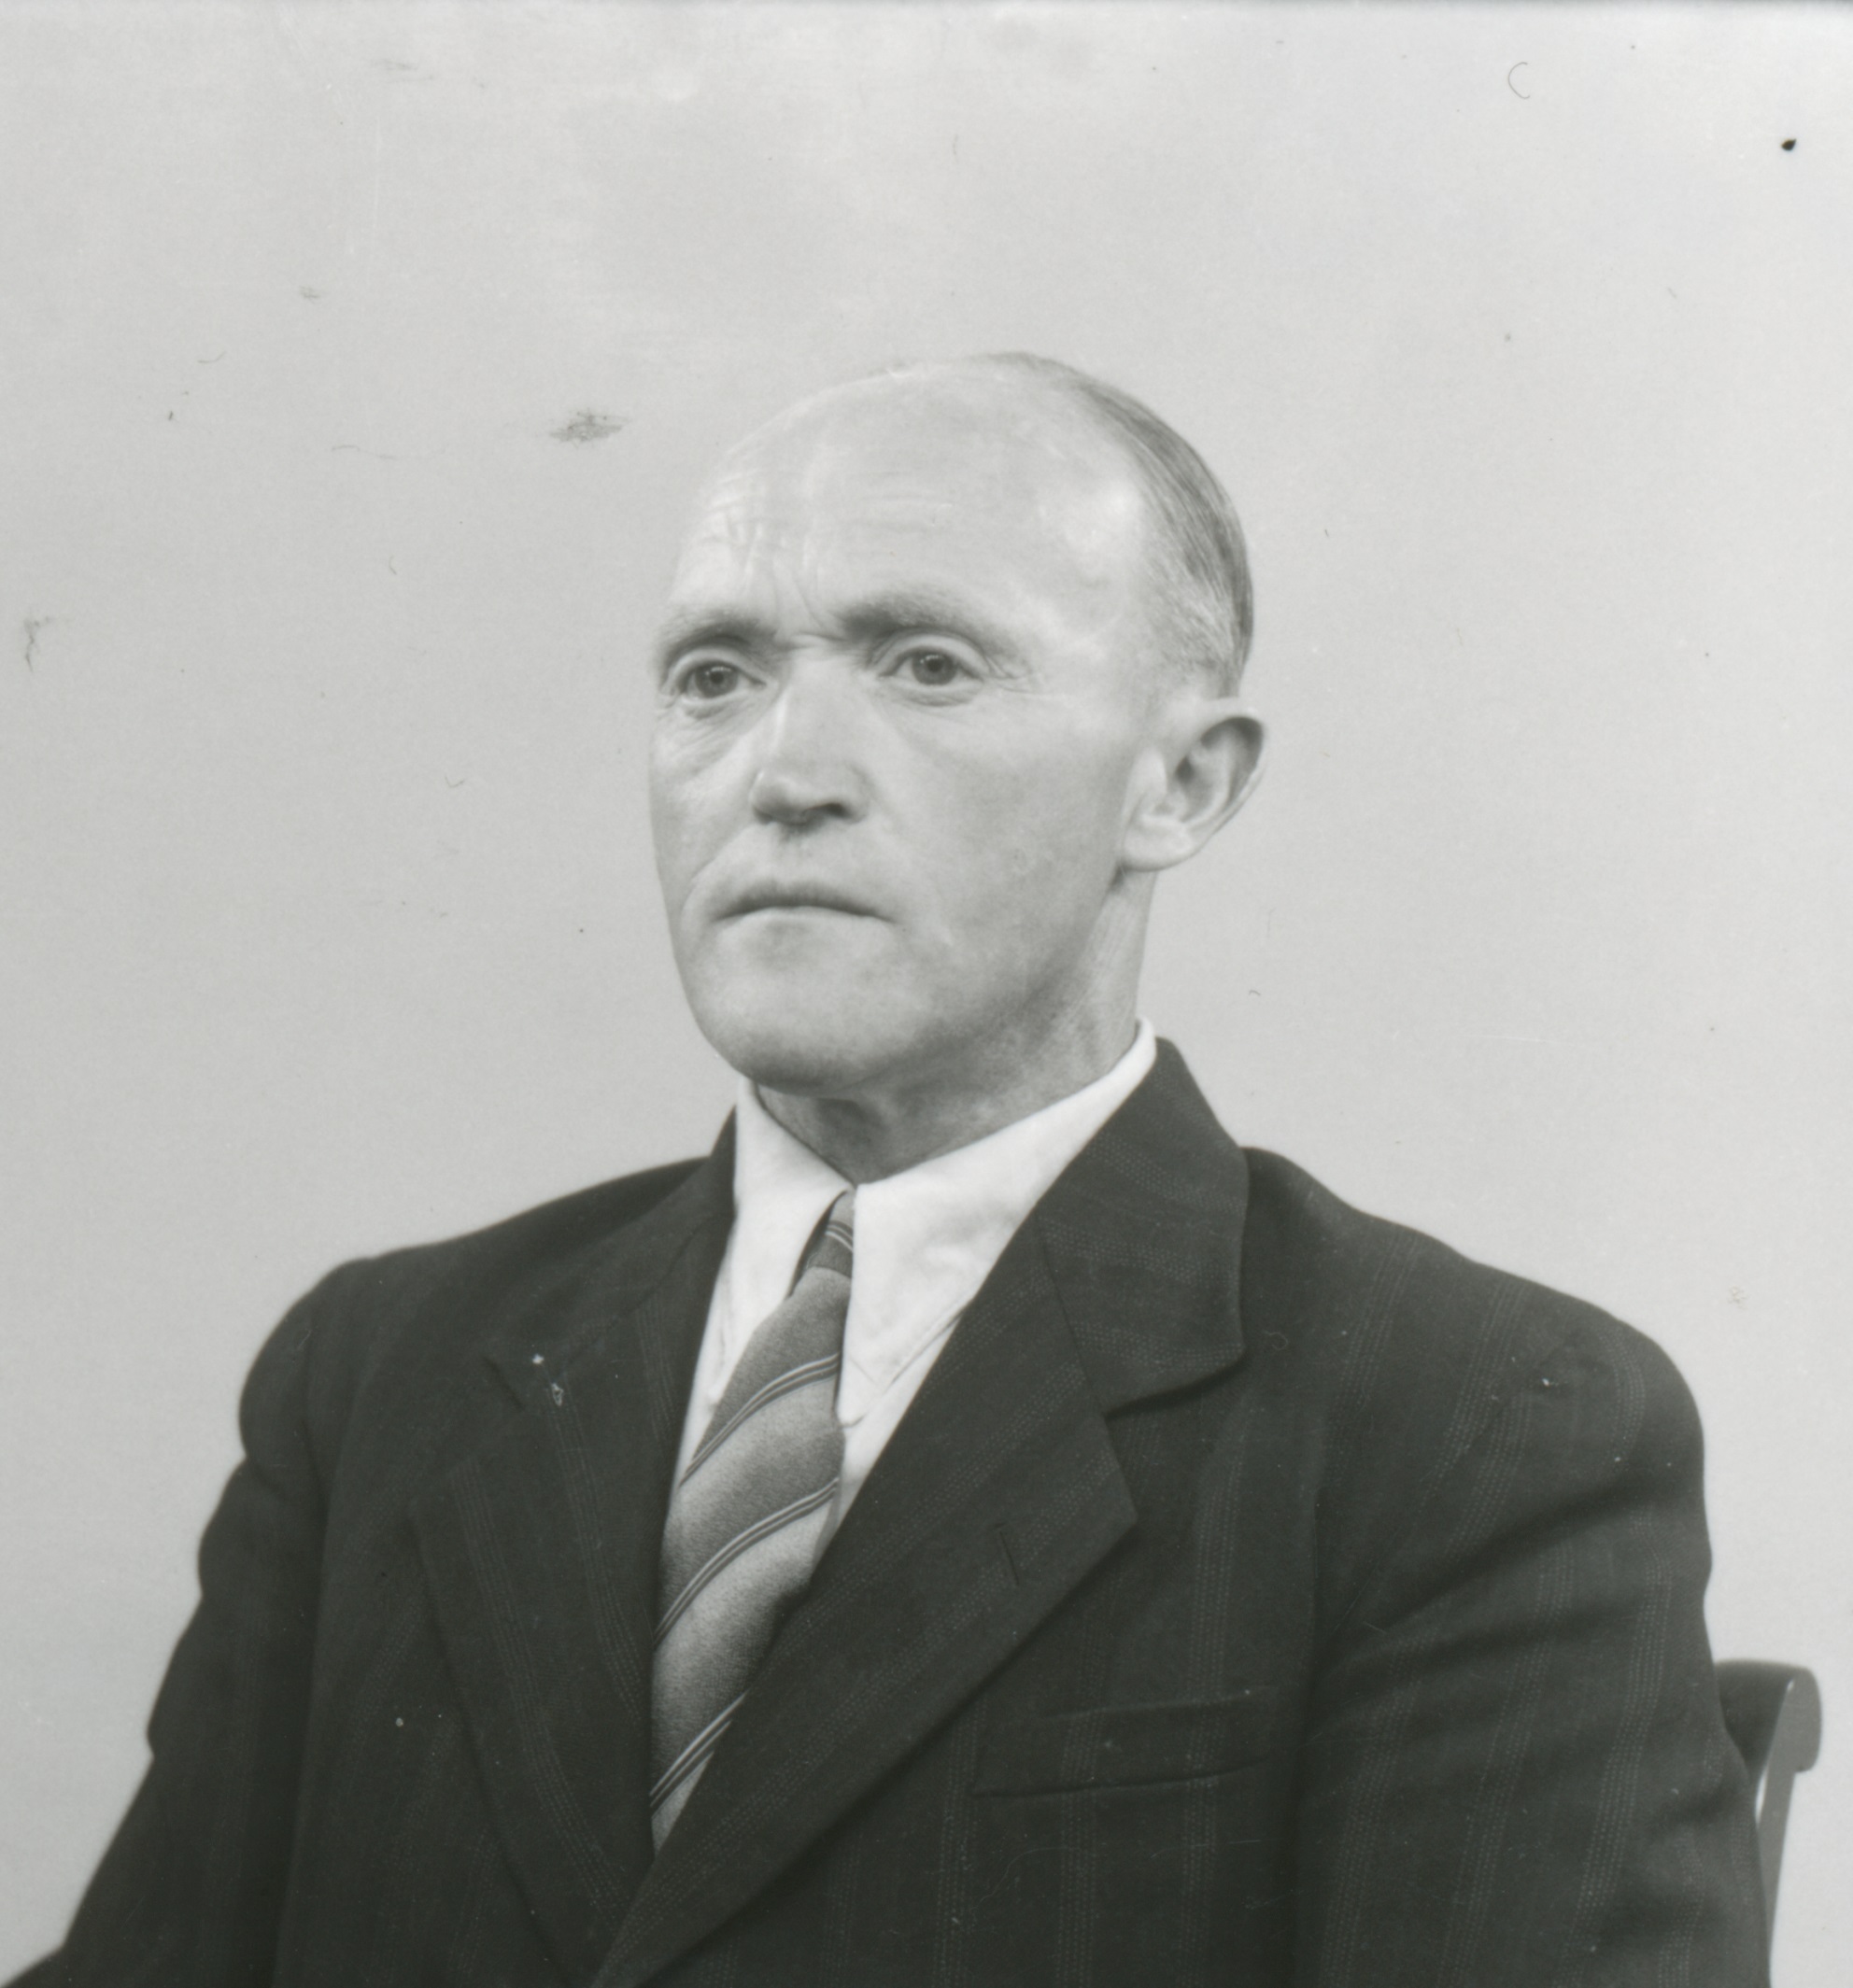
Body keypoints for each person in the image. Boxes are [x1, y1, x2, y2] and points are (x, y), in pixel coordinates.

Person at [14, 355, 1766, 1987]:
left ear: (1180, 784)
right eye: (715, 675)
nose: (781, 773)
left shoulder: (1474, 1427)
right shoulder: (383, 1366)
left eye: (928, 664)